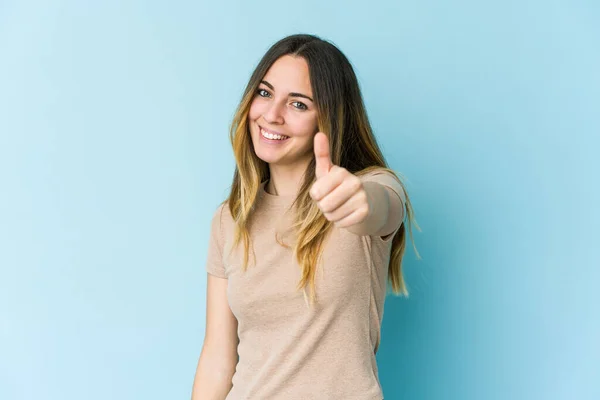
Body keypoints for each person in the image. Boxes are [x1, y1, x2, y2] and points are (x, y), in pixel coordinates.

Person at [191, 33, 418, 400]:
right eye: (265, 93)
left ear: (327, 118)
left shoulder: (372, 187)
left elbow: (379, 208)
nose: (272, 115)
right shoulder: (228, 219)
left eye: (298, 104)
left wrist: (358, 201)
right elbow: (218, 355)